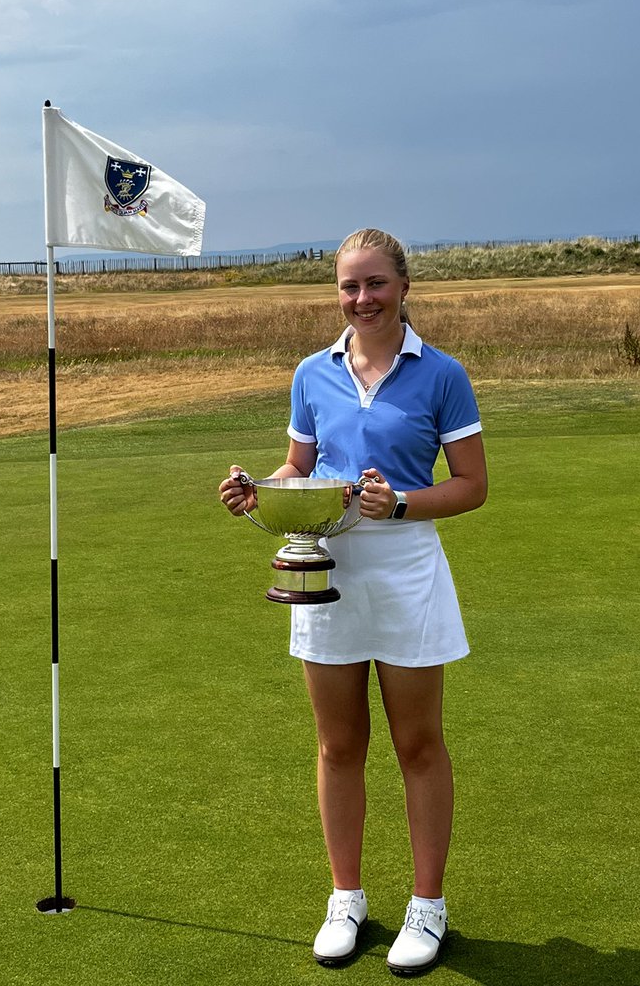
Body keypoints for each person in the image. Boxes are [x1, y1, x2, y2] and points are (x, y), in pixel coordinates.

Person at [218, 229, 487, 976]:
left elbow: (471, 485)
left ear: (403, 286)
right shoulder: (312, 372)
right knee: (339, 745)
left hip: (405, 567)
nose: (361, 298)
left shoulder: (441, 374)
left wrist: (399, 504)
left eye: (375, 284)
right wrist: (258, 494)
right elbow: (300, 466)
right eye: (349, 286)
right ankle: (347, 899)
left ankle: (426, 909)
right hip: (326, 564)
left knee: (418, 745)